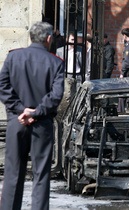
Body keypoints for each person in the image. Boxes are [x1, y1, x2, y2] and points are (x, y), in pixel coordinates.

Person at [0, 21, 65, 210]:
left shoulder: (13, 57)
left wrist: (21, 109)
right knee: (41, 174)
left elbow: (3, 87)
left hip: (16, 121)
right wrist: (36, 112)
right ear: (48, 38)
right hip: (41, 124)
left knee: (12, 172)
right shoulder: (55, 62)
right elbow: (56, 95)